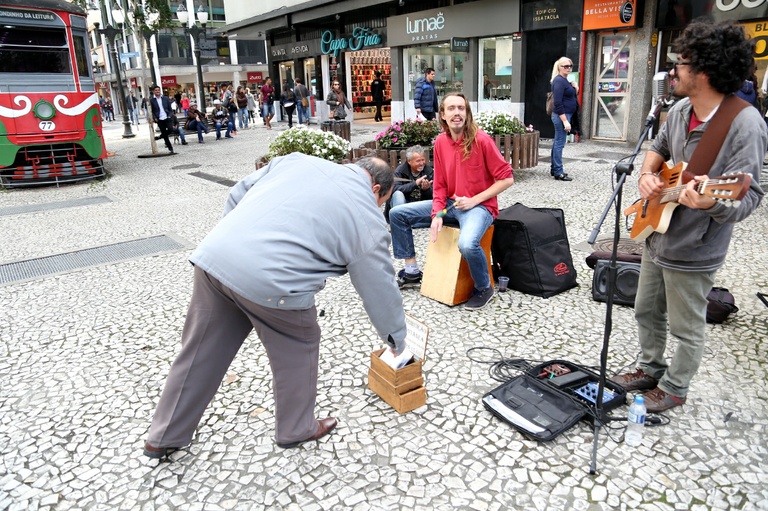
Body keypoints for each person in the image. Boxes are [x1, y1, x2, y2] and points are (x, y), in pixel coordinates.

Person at [142, 154, 407, 458]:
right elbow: (379, 286)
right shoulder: (366, 215)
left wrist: (238, 246)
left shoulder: (296, 161)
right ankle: (296, 428)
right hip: (275, 285)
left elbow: (237, 193)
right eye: (381, 202)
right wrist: (395, 338)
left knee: (199, 351)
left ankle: (164, 435)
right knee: (299, 341)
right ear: (376, 190)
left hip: (215, 259)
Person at [610, 20, 766, 414]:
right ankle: (649, 367)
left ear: (705, 71)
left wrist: (708, 202)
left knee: (686, 325)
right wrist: (647, 175)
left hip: (695, 248)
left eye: (681, 64)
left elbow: (749, 198)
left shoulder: (745, 124)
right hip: (657, 234)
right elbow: (657, 146)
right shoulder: (679, 110)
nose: (672, 72)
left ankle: (676, 387)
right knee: (645, 309)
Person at [389, 93, 514, 310]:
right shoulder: (440, 143)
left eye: (461, 108)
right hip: (449, 205)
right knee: (397, 214)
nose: (457, 113)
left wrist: (474, 200)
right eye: (451, 109)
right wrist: (437, 214)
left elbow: (507, 179)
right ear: (443, 115)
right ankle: (411, 271)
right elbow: (440, 186)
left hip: (481, 207)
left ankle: (484, 288)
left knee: (466, 244)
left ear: (467, 113)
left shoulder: (482, 140)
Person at [384, 145, 433, 224]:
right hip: (405, 204)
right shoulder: (400, 171)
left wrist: (426, 190)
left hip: (419, 207)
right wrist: (415, 184)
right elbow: (394, 189)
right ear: (409, 161)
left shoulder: (429, 172)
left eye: (423, 160)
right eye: (418, 161)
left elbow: (434, 196)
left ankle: (411, 222)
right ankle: (400, 222)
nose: (421, 163)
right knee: (398, 194)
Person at [549, 57, 577, 181]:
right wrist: (565, 120)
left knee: (558, 142)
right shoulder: (559, 81)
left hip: (566, 114)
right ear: (559, 67)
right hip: (562, 115)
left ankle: (554, 168)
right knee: (560, 143)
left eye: (570, 66)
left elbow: (570, 97)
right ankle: (558, 172)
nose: (568, 68)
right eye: (565, 66)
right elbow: (558, 102)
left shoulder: (564, 80)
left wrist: (575, 87)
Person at [149, 85, 175, 154]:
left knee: (171, 130)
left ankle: (160, 136)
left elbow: (170, 109)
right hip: (159, 119)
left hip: (167, 117)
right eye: (156, 90)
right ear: (153, 91)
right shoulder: (151, 100)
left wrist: (169, 115)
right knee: (165, 135)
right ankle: (170, 148)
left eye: (158, 90)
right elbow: (151, 111)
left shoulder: (165, 98)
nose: (157, 91)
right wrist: (154, 118)